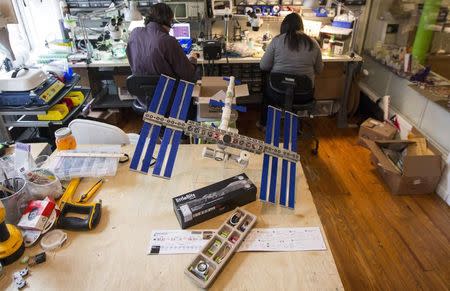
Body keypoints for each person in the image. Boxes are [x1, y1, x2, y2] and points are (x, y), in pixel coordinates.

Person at [258, 13, 324, 128]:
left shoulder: (277, 40)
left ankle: (264, 124)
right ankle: (293, 126)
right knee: (299, 86)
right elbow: (319, 70)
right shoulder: (313, 43)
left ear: (284, 26)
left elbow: (263, 66)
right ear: (301, 26)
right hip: (304, 95)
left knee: (267, 90)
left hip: (277, 93)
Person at [126, 3, 197, 81]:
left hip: (139, 91)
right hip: (167, 91)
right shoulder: (168, 41)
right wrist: (193, 59)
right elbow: (188, 75)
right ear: (168, 20)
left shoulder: (134, 33)